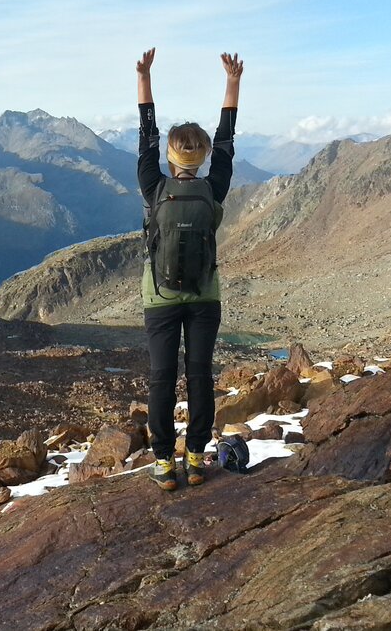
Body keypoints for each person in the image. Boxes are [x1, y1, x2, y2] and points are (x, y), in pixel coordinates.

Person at [136, 47, 242, 491]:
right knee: (199, 374)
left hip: (159, 298)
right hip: (204, 296)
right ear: (199, 157)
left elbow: (146, 136)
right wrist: (232, 82)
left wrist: (144, 77)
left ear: (170, 155)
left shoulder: (153, 185)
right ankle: (195, 457)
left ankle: (163, 462)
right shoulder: (214, 188)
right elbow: (226, 142)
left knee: (162, 378)